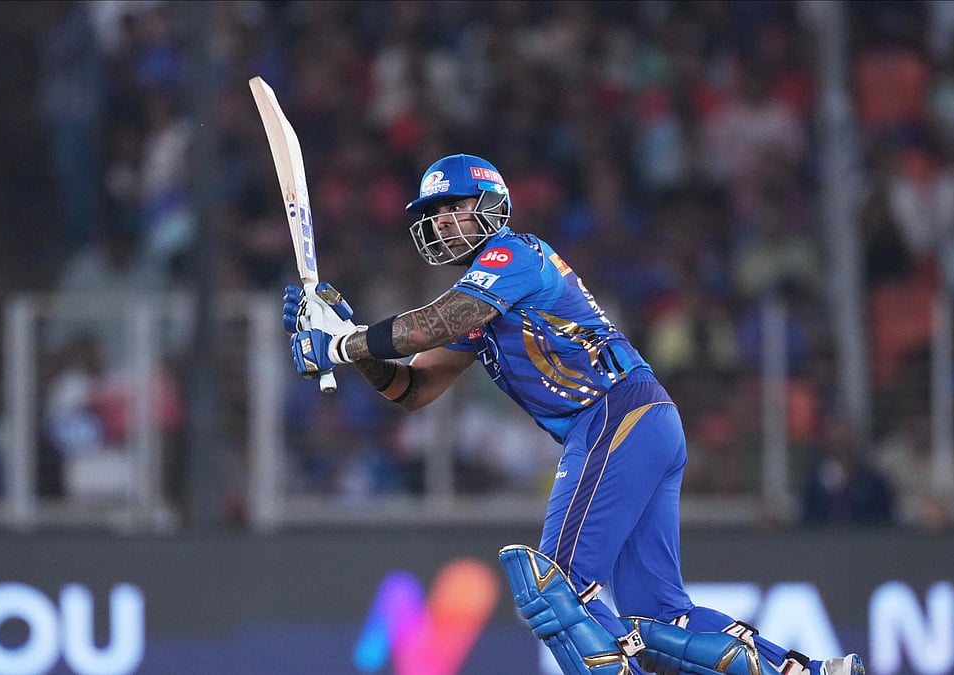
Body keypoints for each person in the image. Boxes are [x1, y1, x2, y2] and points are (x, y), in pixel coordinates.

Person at [282, 154, 864, 675]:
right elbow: (412, 389)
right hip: (639, 423)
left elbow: (433, 324)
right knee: (659, 617)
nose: (440, 223)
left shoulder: (513, 255)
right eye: (432, 214)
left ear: (490, 204)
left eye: (452, 207)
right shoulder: (481, 296)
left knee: (555, 591)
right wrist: (352, 344)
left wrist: (342, 344)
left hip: (614, 415)